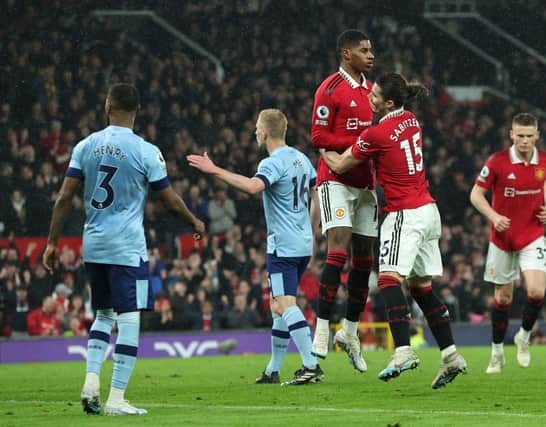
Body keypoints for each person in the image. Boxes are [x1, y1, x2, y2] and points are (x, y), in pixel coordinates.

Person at [43, 83, 205, 416]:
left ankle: (91, 381)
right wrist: (194, 222)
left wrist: (51, 243)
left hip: (94, 244)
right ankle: (116, 397)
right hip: (127, 247)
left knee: (103, 315)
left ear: (107, 107)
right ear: (137, 111)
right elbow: (169, 199)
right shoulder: (146, 150)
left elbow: (64, 198)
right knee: (129, 319)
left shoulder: (86, 145)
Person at [321, 72, 467, 388]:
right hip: (429, 211)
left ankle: (402, 350)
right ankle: (452, 354)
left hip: (405, 214)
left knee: (388, 279)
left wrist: (322, 147)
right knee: (422, 289)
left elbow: (341, 165)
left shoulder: (377, 132)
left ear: (388, 102)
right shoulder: (411, 120)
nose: (368, 99)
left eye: (374, 96)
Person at [187, 108, 323, 385]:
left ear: (264, 132)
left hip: (283, 245)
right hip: (302, 242)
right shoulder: (301, 159)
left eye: (256, 127)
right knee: (277, 306)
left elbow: (251, 188)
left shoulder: (271, 163)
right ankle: (273, 369)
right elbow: (317, 192)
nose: (254, 132)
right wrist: (310, 227)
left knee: (285, 303)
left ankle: (311, 364)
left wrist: (214, 170)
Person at [469, 112, 546, 374]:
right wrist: (494, 216)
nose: (524, 141)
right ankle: (497, 351)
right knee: (503, 299)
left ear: (537, 136)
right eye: (519, 136)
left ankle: (523, 336)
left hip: (532, 236)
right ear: (511, 135)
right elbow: (476, 194)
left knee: (536, 293)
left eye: (529, 136)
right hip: (502, 240)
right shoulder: (497, 162)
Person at [310, 29, 377, 373]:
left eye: (371, 50)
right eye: (365, 50)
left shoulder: (372, 91)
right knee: (338, 249)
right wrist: (357, 143)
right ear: (346, 54)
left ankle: (349, 332)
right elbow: (318, 136)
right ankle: (321, 329)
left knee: (364, 260)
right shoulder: (329, 89)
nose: (371, 55)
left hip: (365, 184)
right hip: (335, 179)